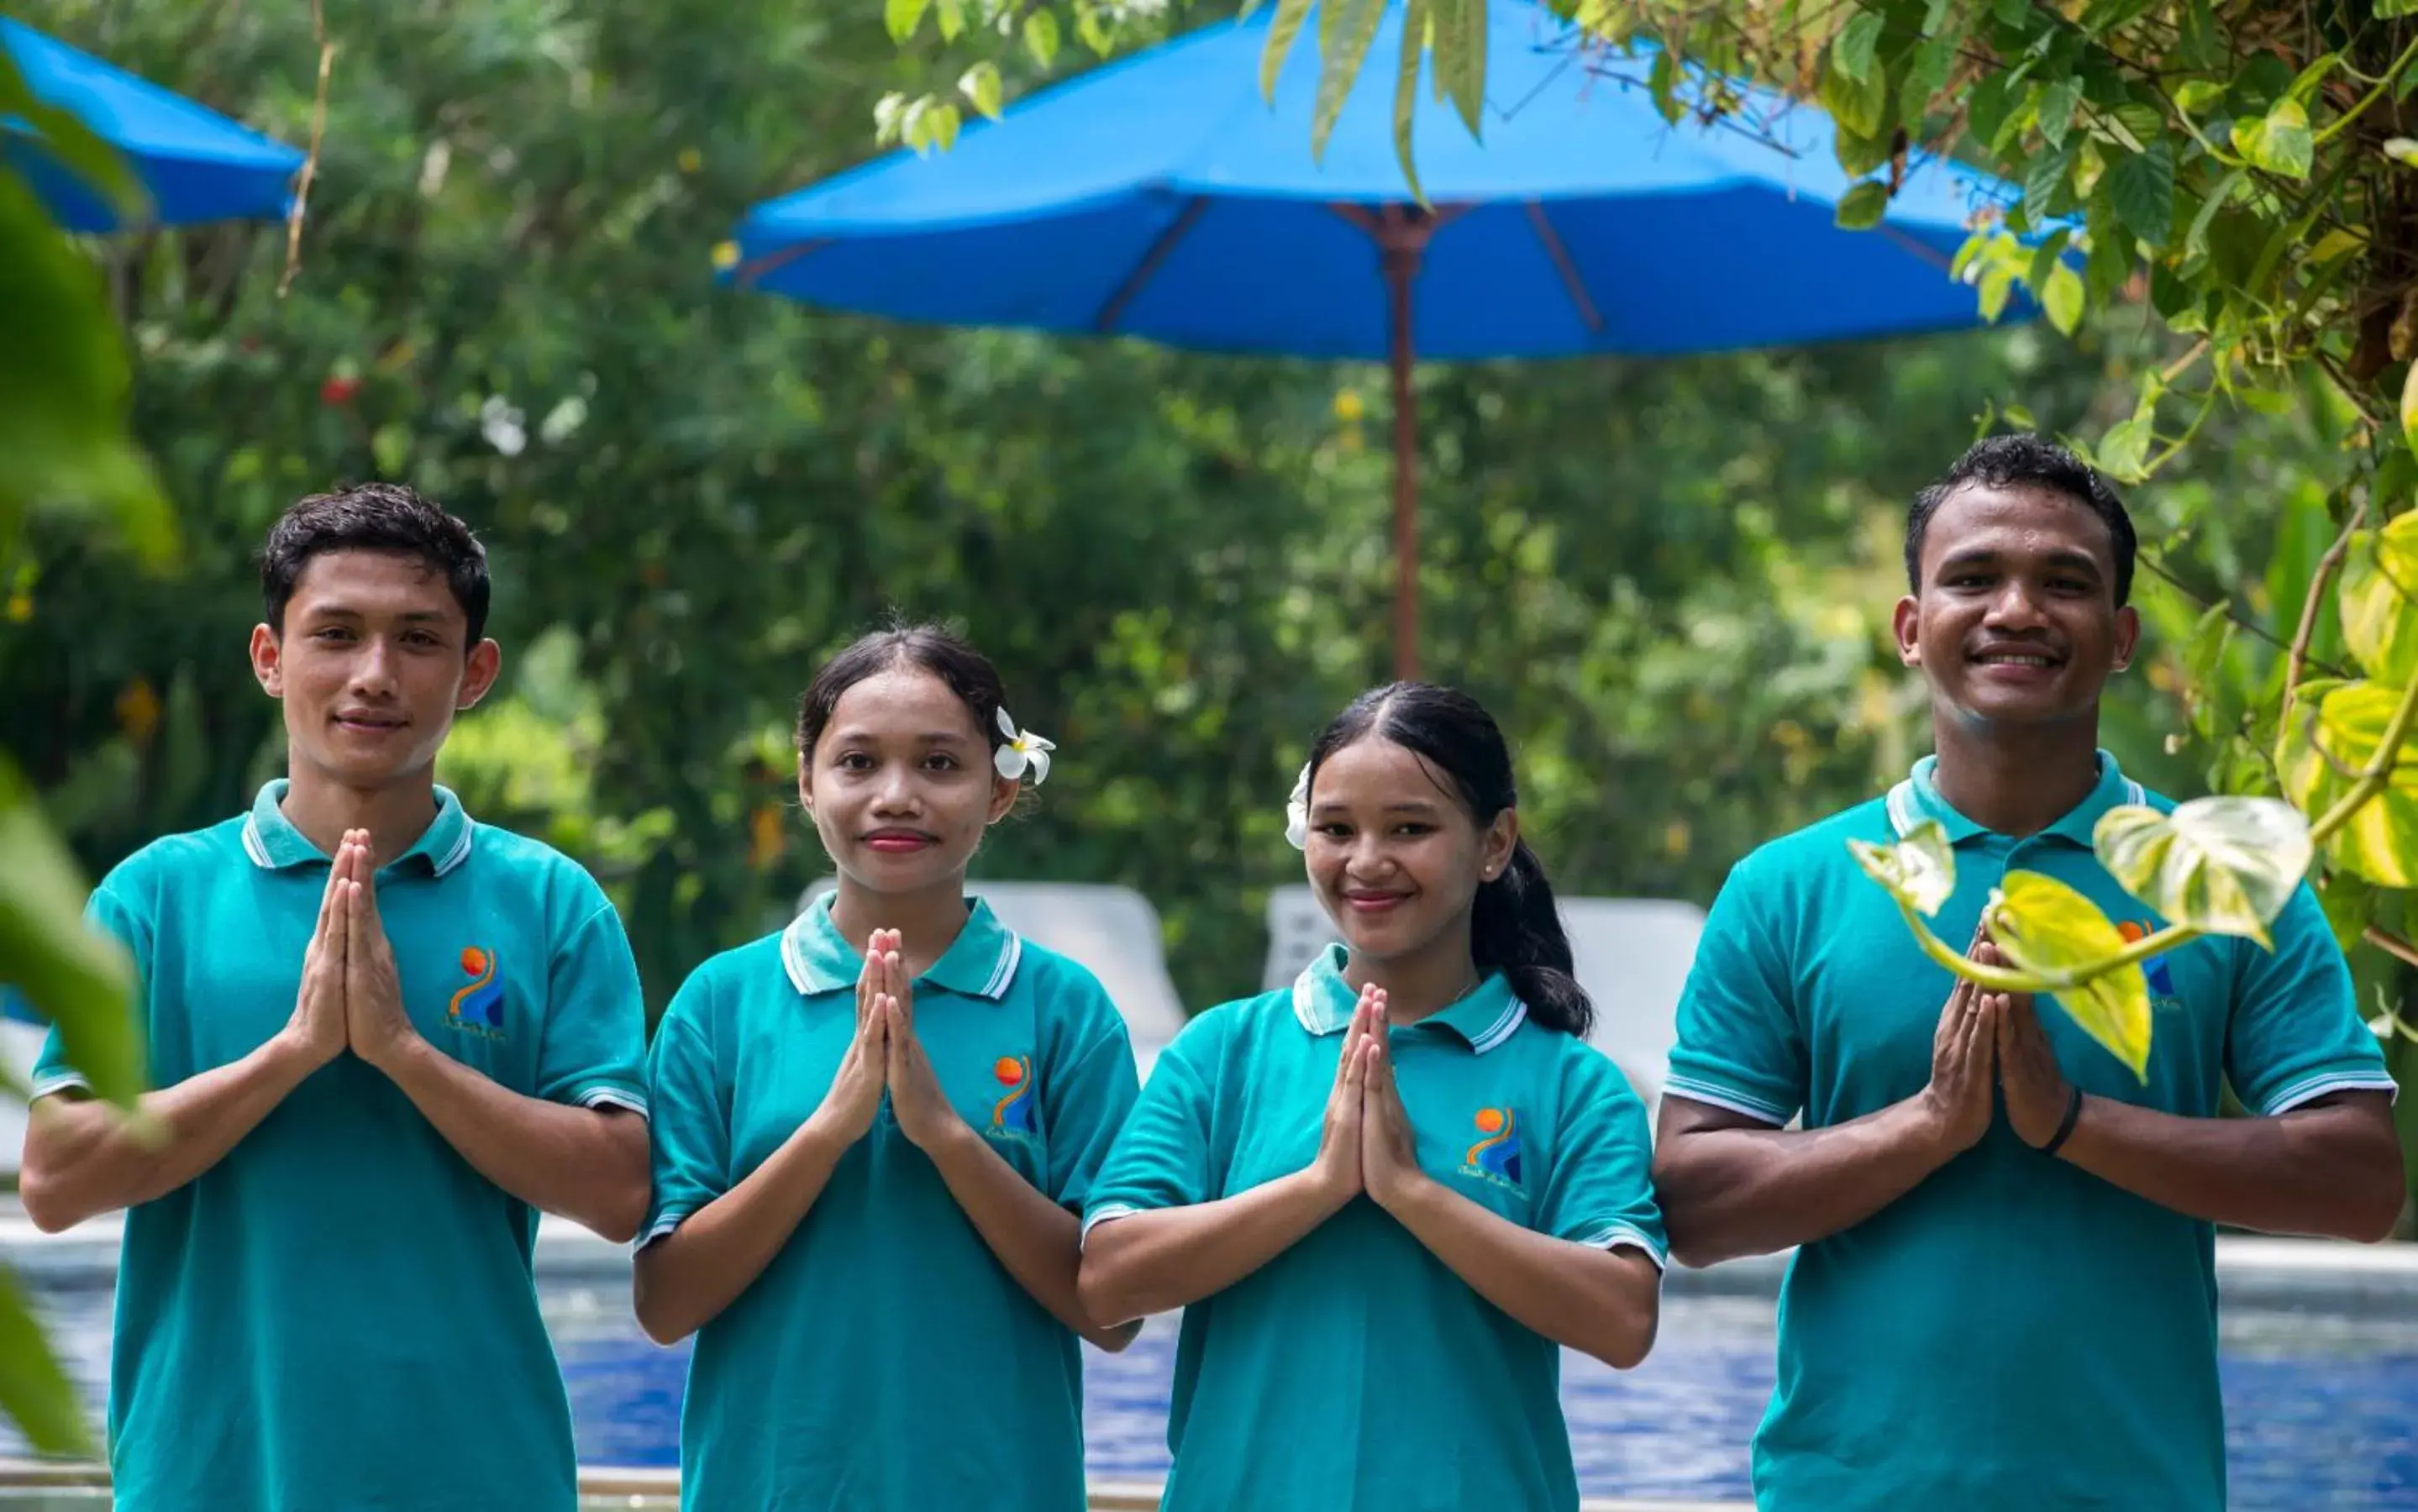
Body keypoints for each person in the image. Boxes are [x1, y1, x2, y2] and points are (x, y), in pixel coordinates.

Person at [1653, 433, 2407, 1511]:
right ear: (1911, 631)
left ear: (2122, 638)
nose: (2016, 609)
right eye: (1972, 579)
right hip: (1846, 1493)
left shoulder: (2225, 881)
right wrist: (1928, 1125)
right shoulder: (1790, 887)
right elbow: (1690, 1203)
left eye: (2065, 582)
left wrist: (2066, 1122)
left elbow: (2359, 1182)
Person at [19, 483, 651, 1511]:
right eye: (336, 634)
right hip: (211, 1478)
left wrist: (404, 1052)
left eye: (417, 639)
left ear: (474, 671)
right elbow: (56, 1181)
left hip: (479, 1477)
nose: (373, 675)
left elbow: (622, 1192)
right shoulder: (155, 898)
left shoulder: (552, 906)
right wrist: (295, 1052)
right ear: (271, 657)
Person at [1078, 682, 1664, 1512]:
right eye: (1335, 828)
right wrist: (1318, 1187)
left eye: (1410, 828)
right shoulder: (1223, 1053)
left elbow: (1622, 1320)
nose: (1366, 861)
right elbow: (1107, 1281)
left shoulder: (1571, 1084)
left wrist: (1410, 1192)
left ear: (1494, 844)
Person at [633, 624, 1143, 1512]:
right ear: (806, 780)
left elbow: (1113, 1314)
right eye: (858, 763)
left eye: (940, 765)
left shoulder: (1065, 1010)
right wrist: (829, 1131)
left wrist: (946, 1137)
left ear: (999, 788)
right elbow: (665, 1304)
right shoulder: (722, 1002)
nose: (896, 797)